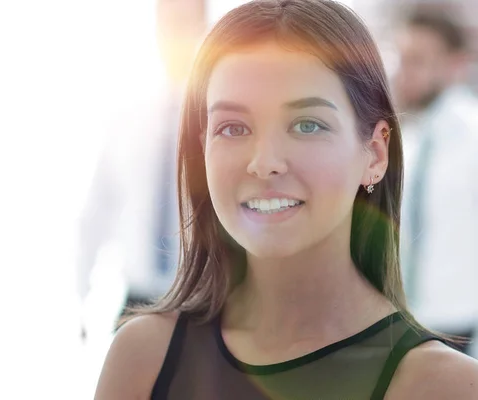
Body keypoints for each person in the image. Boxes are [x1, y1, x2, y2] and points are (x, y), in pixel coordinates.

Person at [94, 1, 478, 399]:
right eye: (233, 127)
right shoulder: (142, 357)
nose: (264, 163)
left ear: (376, 155)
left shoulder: (446, 386)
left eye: (307, 125)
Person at [77, 0, 208, 335]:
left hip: (202, 303)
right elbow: (96, 212)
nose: (176, 35)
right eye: (168, 24)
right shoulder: (126, 117)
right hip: (136, 302)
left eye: (185, 23)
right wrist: (82, 297)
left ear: (203, 28)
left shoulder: (220, 117)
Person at [393, 8, 478, 356]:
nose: (403, 72)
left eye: (417, 61)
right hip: (406, 320)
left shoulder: (473, 139)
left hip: (458, 326)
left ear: (456, 65)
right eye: (400, 59)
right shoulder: (408, 137)